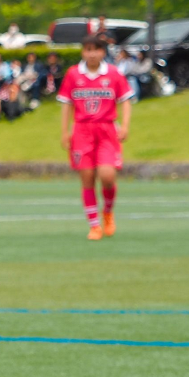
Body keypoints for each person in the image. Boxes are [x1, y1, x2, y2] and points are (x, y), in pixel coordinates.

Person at [59, 33, 131, 241]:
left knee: (107, 176)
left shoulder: (114, 74)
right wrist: (65, 132)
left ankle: (108, 211)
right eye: (88, 50)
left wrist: (124, 126)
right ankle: (94, 225)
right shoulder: (73, 74)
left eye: (96, 49)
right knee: (87, 177)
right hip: (82, 131)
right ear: (83, 52)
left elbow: (125, 100)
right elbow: (66, 104)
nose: (92, 54)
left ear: (102, 52)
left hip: (107, 130)